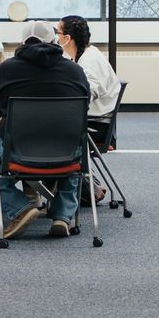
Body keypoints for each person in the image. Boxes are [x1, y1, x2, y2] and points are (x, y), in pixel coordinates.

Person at [0, 19, 90, 240]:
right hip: (65, 152)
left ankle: (20, 208)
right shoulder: (74, 70)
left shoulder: (7, 68)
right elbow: (84, 106)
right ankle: (62, 216)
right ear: (55, 41)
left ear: (22, 42)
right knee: (74, 143)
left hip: (18, 151)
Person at [57, 15, 120, 205]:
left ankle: (84, 189)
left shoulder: (90, 60)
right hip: (93, 120)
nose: (56, 37)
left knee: (47, 135)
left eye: (57, 33)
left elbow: (88, 94)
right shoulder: (84, 56)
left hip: (95, 125)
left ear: (67, 38)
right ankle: (87, 187)